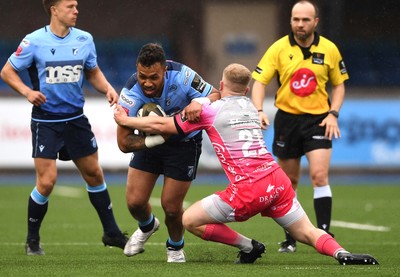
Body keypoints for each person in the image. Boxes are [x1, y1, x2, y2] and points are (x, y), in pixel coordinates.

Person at [113, 63, 378, 265]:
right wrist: (202, 99)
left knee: (189, 219)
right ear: (248, 89)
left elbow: (162, 125)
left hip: (248, 189)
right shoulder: (252, 108)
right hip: (277, 182)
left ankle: (249, 246)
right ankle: (342, 253)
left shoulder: (209, 111)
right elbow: (215, 98)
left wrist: (127, 121)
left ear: (220, 84)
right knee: (306, 232)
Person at [0, 0, 128, 255]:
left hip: (75, 120)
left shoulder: (84, 39)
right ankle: (32, 240)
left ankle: (111, 232)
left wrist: (108, 88)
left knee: (95, 175)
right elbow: (7, 71)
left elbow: (92, 72)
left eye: (76, 6)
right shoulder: (34, 41)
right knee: (47, 182)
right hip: (46, 121)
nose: (76, 11)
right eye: (70, 6)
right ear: (54, 10)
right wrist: (27, 91)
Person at [251, 0, 348, 253]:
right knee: (289, 181)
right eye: (296, 19)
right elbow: (259, 82)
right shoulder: (279, 48)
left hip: (318, 120)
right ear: (291, 21)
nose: (300, 24)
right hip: (287, 120)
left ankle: (325, 234)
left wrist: (334, 113)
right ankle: (291, 238)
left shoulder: (329, 49)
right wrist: (259, 110)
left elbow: (338, 84)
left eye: (305, 20)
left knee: (319, 176)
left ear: (316, 21)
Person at [116, 42, 220, 263]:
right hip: (149, 143)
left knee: (172, 208)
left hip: (184, 144)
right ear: (137, 69)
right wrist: (157, 137)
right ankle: (147, 226)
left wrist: (199, 101)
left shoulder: (183, 76)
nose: (147, 83)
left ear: (165, 69)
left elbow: (216, 95)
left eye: (154, 77)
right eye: (142, 76)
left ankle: (175, 247)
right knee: (134, 202)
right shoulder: (131, 92)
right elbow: (123, 143)